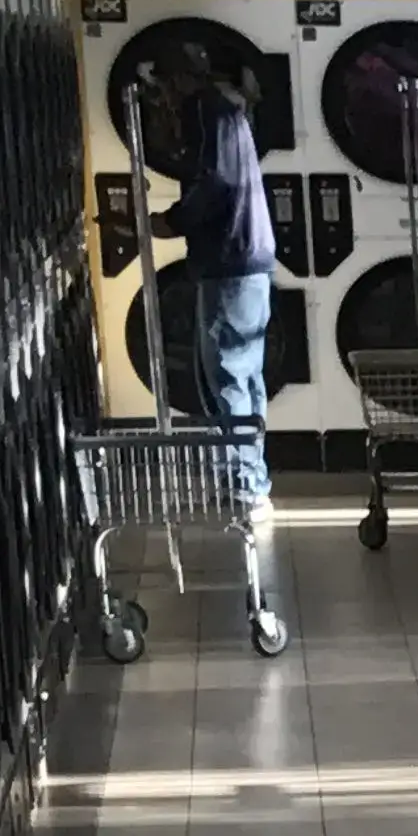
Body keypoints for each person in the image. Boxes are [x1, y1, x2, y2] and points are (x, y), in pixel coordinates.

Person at [144, 52, 275, 508]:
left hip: (228, 263)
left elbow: (214, 184)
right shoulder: (229, 112)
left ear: (181, 81)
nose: (163, 99)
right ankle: (254, 481)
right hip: (250, 259)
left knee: (228, 377)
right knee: (246, 379)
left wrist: (169, 222)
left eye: (164, 88)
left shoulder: (206, 112)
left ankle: (245, 490)